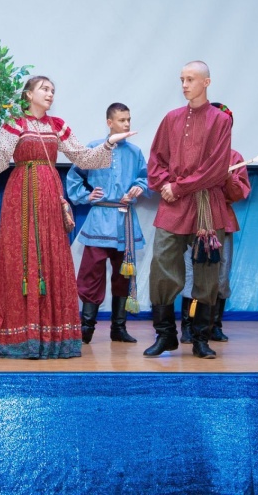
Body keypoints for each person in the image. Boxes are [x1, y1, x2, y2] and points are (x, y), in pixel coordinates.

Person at [0, 76, 135, 359]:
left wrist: (109, 143)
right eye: (44, 89)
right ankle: (21, 335)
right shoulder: (15, 123)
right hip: (20, 196)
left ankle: (53, 336)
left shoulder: (58, 125)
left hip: (50, 194)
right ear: (28, 94)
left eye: (52, 90)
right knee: (21, 257)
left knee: (52, 256)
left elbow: (84, 158)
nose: (50, 93)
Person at [144, 61, 231, 360]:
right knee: (162, 263)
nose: (184, 85)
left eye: (190, 79)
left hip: (206, 203)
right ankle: (165, 335)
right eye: (182, 79)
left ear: (206, 82)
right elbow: (156, 160)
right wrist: (165, 185)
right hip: (173, 204)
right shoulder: (171, 118)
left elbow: (217, 168)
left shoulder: (220, 120)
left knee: (207, 271)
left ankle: (201, 339)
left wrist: (179, 187)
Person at [66, 102, 148, 344]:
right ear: (109, 123)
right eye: (122, 120)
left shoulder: (135, 152)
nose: (127, 124)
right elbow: (74, 176)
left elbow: (144, 178)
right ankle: (86, 327)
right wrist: (86, 196)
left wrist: (138, 188)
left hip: (124, 221)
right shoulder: (94, 148)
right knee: (91, 273)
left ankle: (118, 328)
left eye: (128, 119)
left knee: (124, 273)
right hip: (100, 220)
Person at [179, 102, 251, 344]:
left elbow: (238, 193)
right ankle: (188, 326)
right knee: (191, 273)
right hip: (192, 220)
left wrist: (229, 177)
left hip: (222, 221)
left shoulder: (234, 157)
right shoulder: (188, 151)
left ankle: (213, 326)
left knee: (221, 274)